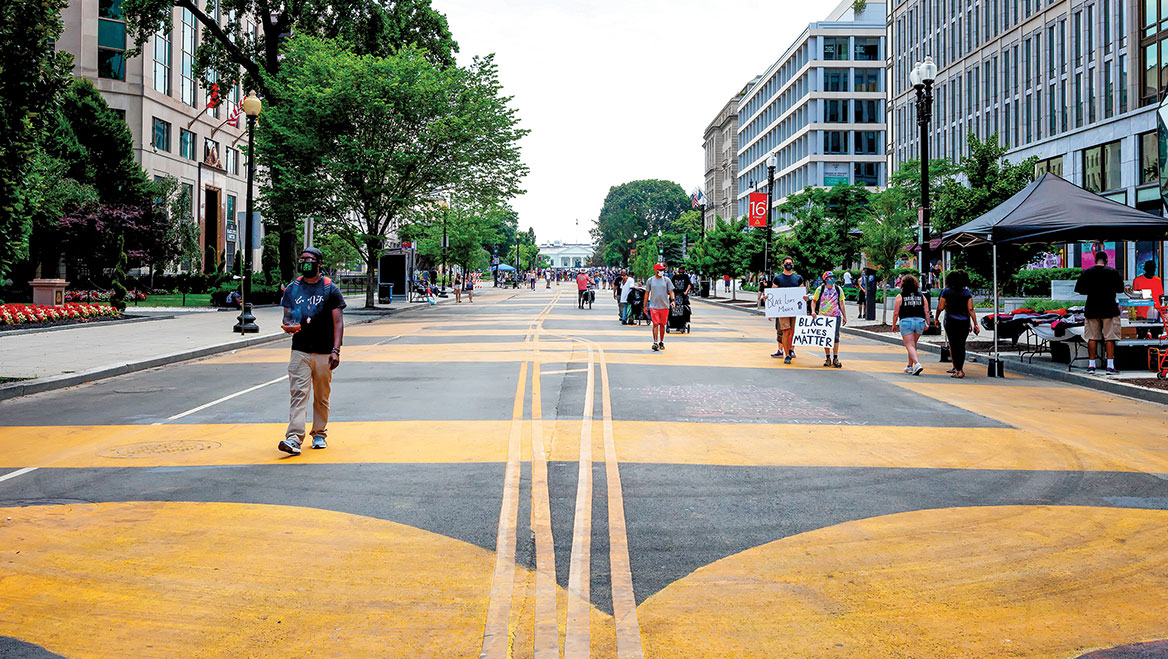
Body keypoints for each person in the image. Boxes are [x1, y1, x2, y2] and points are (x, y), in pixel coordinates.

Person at [278, 247, 345, 455]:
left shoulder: (330, 289)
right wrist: (289, 325)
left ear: (319, 263)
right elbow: (288, 316)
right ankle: (294, 438)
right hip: (300, 350)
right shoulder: (292, 288)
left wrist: (336, 350)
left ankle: (319, 433)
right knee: (299, 394)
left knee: (322, 396)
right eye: (303, 259)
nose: (305, 262)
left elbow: (338, 322)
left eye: (310, 259)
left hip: (325, 351)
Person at [1075, 250, 1125, 375]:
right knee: (1110, 337)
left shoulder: (1087, 272)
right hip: (1109, 308)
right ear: (1106, 260)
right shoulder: (1113, 272)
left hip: (1092, 308)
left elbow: (1080, 290)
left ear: (1094, 260)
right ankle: (1109, 366)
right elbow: (1120, 289)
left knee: (1092, 337)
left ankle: (1091, 366)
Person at [936, 270, 979, 379]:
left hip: (951, 321)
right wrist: (975, 324)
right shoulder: (966, 292)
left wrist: (936, 318)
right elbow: (970, 309)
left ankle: (958, 370)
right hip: (964, 322)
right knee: (961, 345)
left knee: (953, 345)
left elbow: (940, 307)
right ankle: (960, 368)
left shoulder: (946, 292)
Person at [892, 274, 931, 375]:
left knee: (909, 345)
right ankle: (909, 366)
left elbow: (896, 312)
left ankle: (917, 364)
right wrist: (928, 323)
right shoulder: (921, 296)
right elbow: (926, 311)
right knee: (913, 345)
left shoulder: (900, 296)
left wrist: (894, 324)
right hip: (920, 321)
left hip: (906, 321)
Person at [771, 256, 806, 364]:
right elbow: (773, 294)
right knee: (785, 331)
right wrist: (769, 304)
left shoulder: (798, 278)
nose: (788, 264)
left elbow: (802, 293)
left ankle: (791, 349)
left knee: (793, 331)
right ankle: (787, 354)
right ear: (783, 265)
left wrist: (805, 300)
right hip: (783, 310)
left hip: (795, 310)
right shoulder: (778, 278)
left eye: (790, 263)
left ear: (793, 265)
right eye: (786, 263)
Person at [811, 271, 847, 368]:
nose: (831, 279)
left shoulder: (838, 289)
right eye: (829, 277)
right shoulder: (820, 289)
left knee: (835, 337)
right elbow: (814, 301)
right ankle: (827, 357)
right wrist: (813, 311)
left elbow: (841, 303)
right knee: (826, 337)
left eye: (832, 277)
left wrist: (844, 316)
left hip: (835, 316)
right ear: (825, 279)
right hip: (824, 317)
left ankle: (835, 357)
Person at [646, 263, 675, 350]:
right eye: (660, 270)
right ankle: (655, 342)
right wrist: (644, 305)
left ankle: (661, 341)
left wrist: (673, 301)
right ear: (656, 270)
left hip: (665, 306)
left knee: (662, 325)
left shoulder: (667, 280)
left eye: (663, 270)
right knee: (655, 324)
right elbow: (647, 293)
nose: (662, 271)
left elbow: (671, 291)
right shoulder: (650, 280)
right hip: (654, 306)